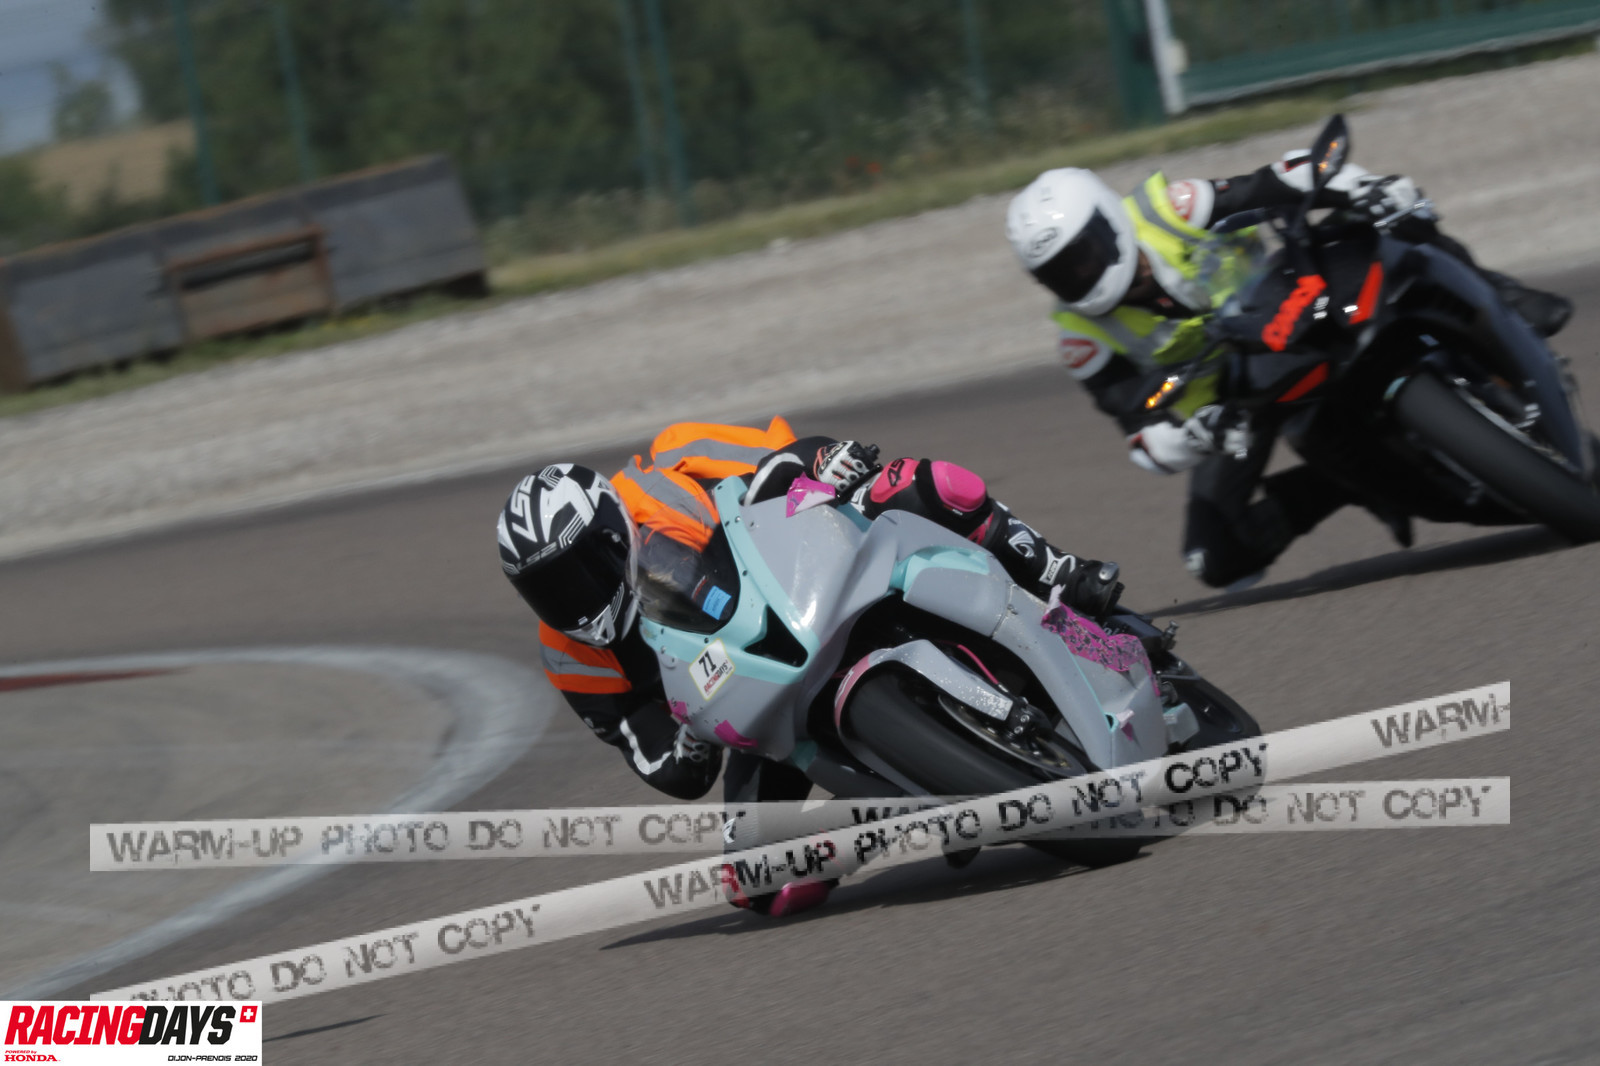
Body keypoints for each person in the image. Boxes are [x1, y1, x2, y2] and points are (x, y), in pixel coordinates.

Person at [496, 418, 1125, 916]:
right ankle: (896, 812)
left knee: (916, 483)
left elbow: (787, 452)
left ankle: (1060, 573)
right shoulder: (571, 658)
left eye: (577, 574)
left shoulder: (674, 460)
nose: (569, 601)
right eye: (546, 590)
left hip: (808, 581)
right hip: (750, 706)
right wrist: (689, 734)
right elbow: (668, 767)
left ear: (612, 535)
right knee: (756, 882)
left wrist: (825, 462)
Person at [1005, 151, 1574, 588]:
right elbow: (1142, 437)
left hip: (1296, 295)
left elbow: (1281, 177)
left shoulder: (1166, 209)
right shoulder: (1081, 339)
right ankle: (1343, 481)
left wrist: (1364, 184)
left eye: (1083, 256)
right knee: (1212, 557)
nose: (1080, 276)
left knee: (1389, 217)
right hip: (1238, 400)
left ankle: (1503, 294)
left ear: (1110, 222)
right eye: (1061, 274)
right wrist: (1195, 436)